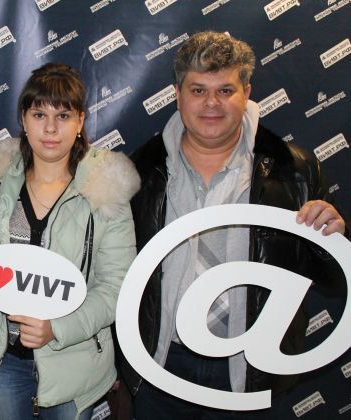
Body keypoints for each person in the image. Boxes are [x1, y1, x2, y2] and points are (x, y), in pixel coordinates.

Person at [120, 31, 348, 419]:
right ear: (177, 94)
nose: (212, 103)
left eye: (225, 90)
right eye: (198, 90)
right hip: (162, 364)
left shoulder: (295, 170)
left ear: (247, 93)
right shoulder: (139, 172)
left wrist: (335, 240)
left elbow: (333, 280)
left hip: (252, 369)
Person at [0, 63, 140, 419]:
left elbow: (117, 286)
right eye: (39, 114)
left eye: (63, 116)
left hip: (72, 363)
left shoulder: (105, 189)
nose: (50, 128)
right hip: (1, 361)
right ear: (23, 119)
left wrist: (57, 329)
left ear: (80, 121)